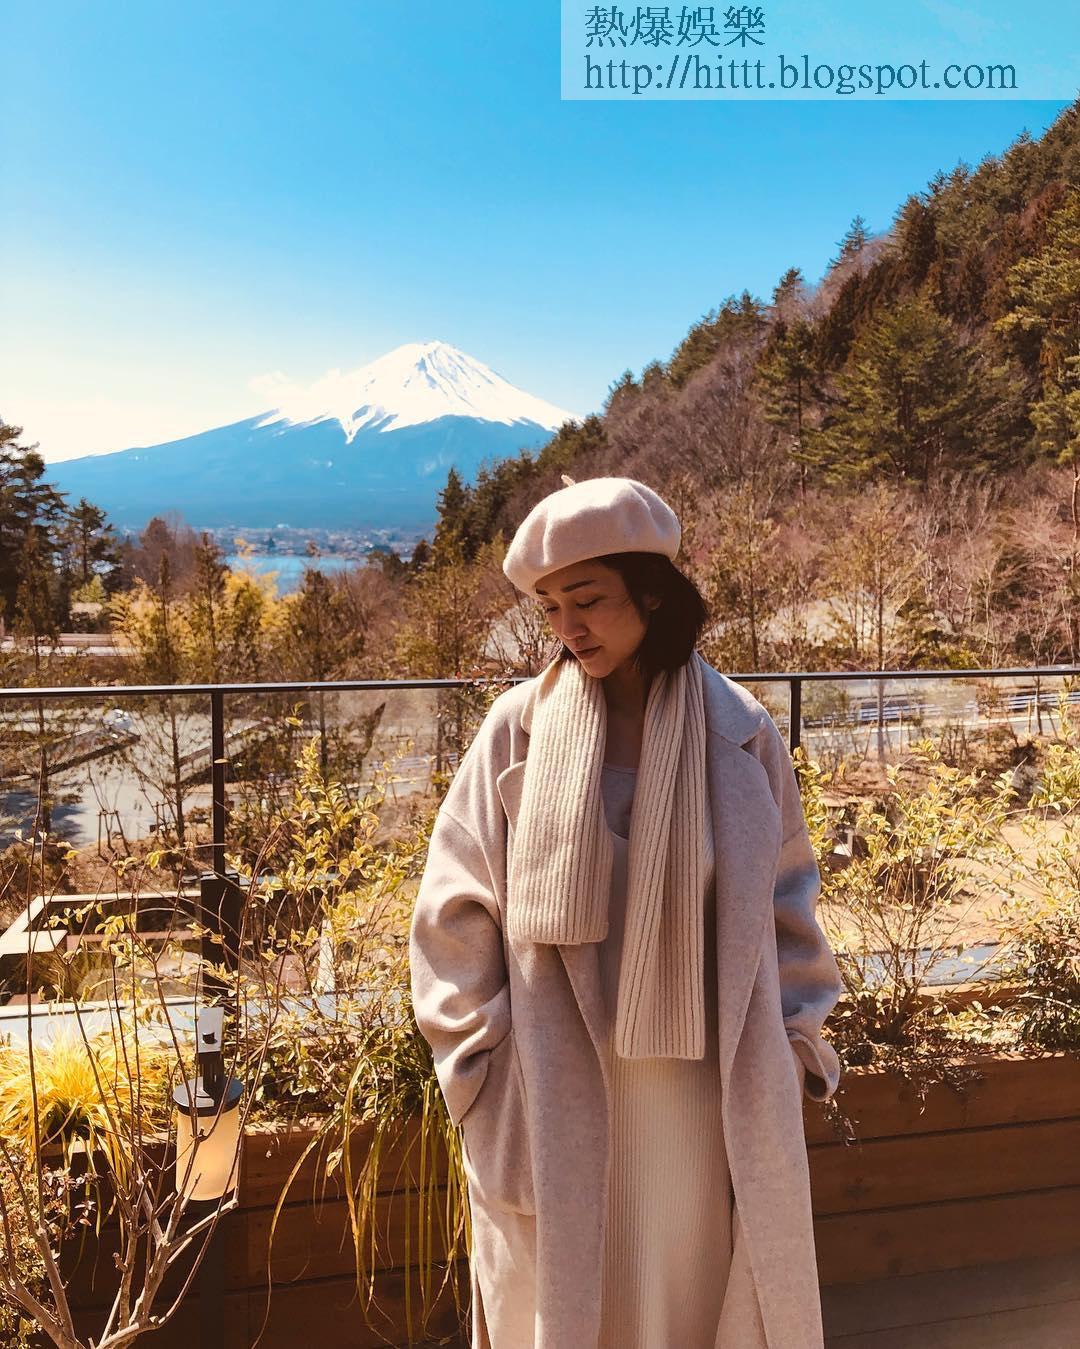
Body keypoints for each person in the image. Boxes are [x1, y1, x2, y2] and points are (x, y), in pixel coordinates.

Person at [409, 476, 843, 1349]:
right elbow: (450, 916)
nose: (568, 626)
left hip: (702, 1102)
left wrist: (797, 1046)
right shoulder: (516, 732)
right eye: (550, 606)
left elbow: (789, 902)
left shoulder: (740, 732)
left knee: (697, 1311)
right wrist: (478, 1078)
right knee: (574, 1314)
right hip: (552, 1097)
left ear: (651, 592)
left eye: (590, 599)